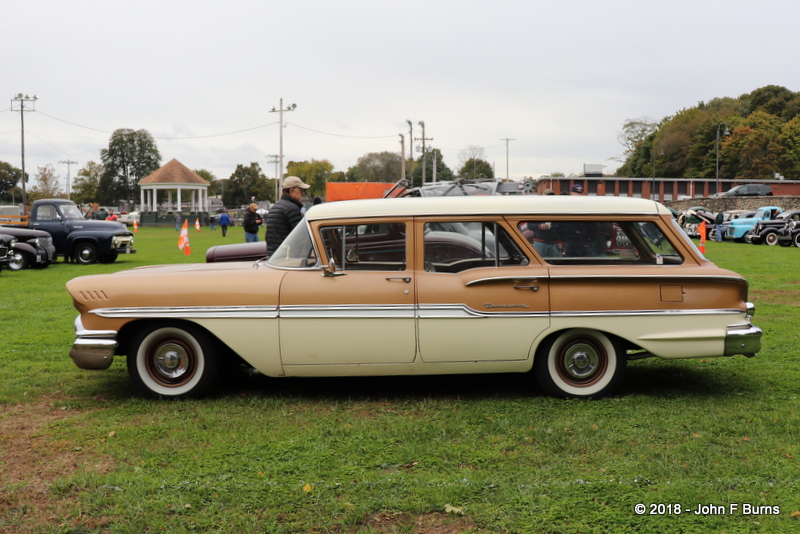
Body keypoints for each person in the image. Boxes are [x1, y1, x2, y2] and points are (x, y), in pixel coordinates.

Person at [266, 176, 310, 256]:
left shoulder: (275, 207)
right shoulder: (292, 208)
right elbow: (300, 236)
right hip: (287, 256)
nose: (302, 193)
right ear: (292, 191)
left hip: (273, 256)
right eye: (301, 190)